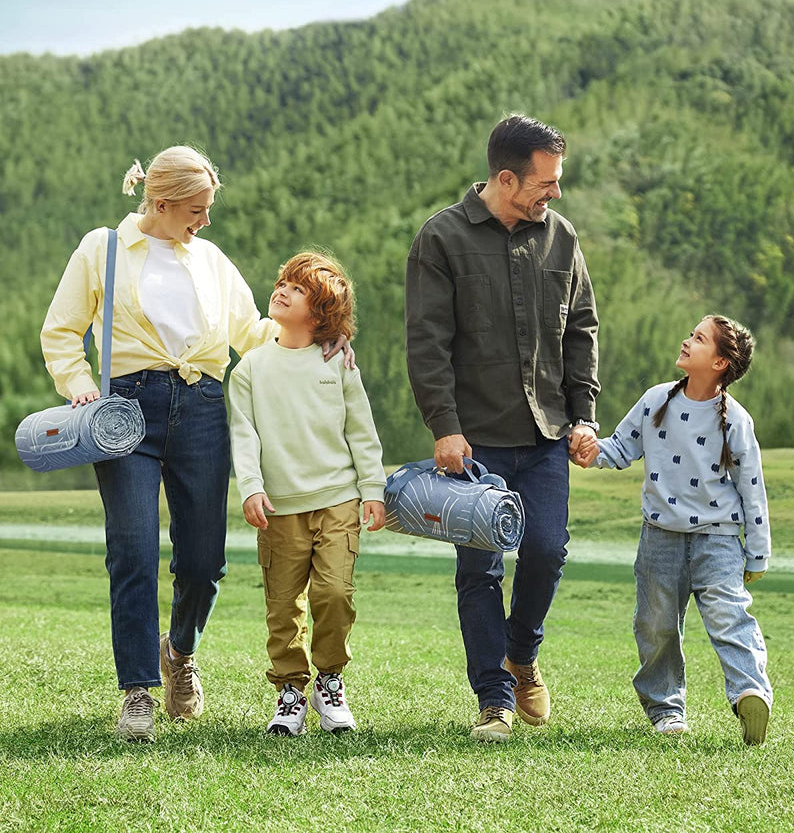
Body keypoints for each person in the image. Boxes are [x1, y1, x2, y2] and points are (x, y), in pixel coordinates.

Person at [40, 147, 348, 743]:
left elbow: (253, 333)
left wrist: (317, 343)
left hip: (204, 409)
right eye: (197, 209)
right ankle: (137, 690)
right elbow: (60, 332)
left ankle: (179, 651)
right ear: (161, 203)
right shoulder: (101, 249)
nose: (205, 220)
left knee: (204, 562)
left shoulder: (210, 260)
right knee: (132, 550)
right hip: (123, 412)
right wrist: (80, 386)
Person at [405, 114, 600, 742]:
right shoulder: (441, 239)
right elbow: (427, 344)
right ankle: (493, 698)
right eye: (546, 182)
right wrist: (444, 426)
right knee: (481, 571)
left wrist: (584, 414)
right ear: (506, 177)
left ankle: (522, 658)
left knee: (546, 552)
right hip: (474, 441)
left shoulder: (562, 239)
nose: (556, 193)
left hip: (546, 434)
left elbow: (582, 330)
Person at [573, 315, 772, 745]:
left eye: (698, 339)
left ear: (719, 362)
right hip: (659, 539)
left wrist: (757, 554)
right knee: (657, 626)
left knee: (729, 618)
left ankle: (750, 693)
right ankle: (667, 710)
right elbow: (620, 448)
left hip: (718, 542)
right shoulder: (654, 400)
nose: (686, 341)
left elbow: (752, 490)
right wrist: (590, 450)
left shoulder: (735, 420)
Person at [229, 250, 386, 736]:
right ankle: (291, 691)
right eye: (283, 282)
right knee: (282, 604)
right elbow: (244, 435)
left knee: (334, 592)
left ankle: (330, 681)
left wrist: (373, 488)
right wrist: (251, 488)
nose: (282, 290)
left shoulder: (337, 363)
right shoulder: (249, 369)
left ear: (320, 314)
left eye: (298, 289)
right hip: (279, 508)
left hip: (338, 498)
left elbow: (361, 431)